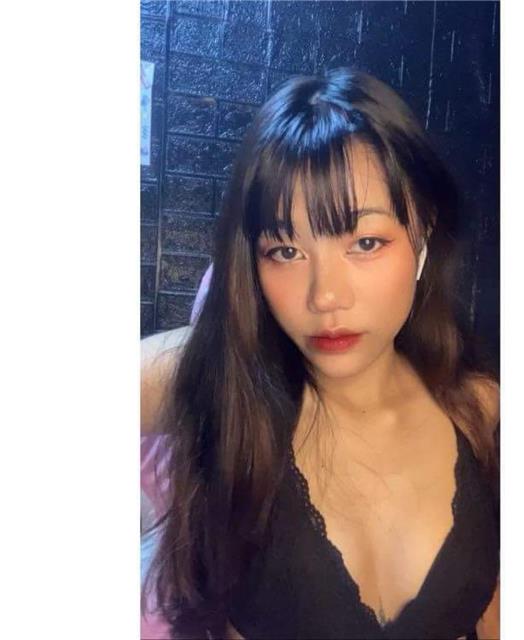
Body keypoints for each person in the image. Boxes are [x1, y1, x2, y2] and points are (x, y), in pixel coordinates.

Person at [141, 68, 500, 640]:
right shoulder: (224, 385)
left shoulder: (480, 410)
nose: (325, 296)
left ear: (423, 238)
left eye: (365, 242)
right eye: (285, 251)